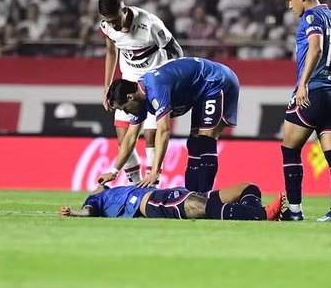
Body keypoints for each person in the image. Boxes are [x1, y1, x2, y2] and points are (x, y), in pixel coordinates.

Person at [98, 57, 240, 192]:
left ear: (130, 96)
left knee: (205, 140)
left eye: (124, 108)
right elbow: (129, 137)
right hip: (201, 90)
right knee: (194, 143)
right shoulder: (140, 99)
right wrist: (114, 171)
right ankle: (192, 196)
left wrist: (155, 171)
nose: (127, 113)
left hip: (217, 81)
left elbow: (164, 131)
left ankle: (205, 197)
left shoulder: (155, 88)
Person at [280, 0, 331, 222]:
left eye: (290, 0)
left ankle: (295, 211)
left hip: (314, 91)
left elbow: (316, 47)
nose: (290, 6)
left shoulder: (312, 16)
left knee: (289, 148)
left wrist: (304, 84)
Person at [98, 0, 183, 185]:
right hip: (128, 83)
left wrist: (172, 83)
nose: (114, 26)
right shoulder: (107, 27)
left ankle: (152, 187)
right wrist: (107, 87)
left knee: (151, 135)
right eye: (109, 21)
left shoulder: (150, 24)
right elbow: (111, 51)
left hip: (154, 83)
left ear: (124, 10)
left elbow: (176, 50)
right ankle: (135, 188)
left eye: (116, 20)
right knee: (123, 138)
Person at [59, 182, 283, 221]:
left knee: (248, 188)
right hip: (150, 203)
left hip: (166, 193)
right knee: (200, 206)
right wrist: (74, 213)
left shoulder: (111, 189)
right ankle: (261, 214)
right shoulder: (95, 198)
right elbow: (88, 212)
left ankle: (249, 212)